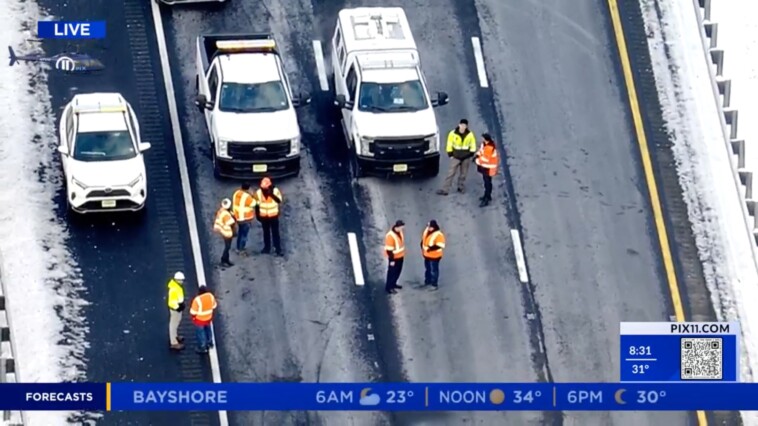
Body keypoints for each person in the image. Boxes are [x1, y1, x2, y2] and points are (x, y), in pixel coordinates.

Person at [437, 119, 477, 195]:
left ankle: (460, 187)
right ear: (459, 125)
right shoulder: (452, 134)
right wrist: (450, 154)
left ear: (466, 126)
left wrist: (471, 154)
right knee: (450, 173)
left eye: (464, 125)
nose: (463, 127)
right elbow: (449, 144)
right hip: (456, 156)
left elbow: (473, 145)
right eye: (462, 125)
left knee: (463, 174)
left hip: (466, 157)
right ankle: (445, 189)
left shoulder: (470, 135)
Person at [254, 177, 284, 256]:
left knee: (275, 233)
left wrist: (271, 195)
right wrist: (257, 215)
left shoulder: (275, 191)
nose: (264, 190)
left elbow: (279, 200)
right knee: (266, 233)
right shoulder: (258, 193)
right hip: (264, 216)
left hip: (273, 216)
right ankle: (267, 248)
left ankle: (278, 249)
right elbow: (256, 205)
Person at [189, 286, 217, 354]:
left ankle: (202, 347)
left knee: (201, 333)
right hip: (208, 318)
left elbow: (193, 312)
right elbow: (214, 306)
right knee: (208, 330)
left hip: (199, 320)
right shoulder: (210, 296)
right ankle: (210, 343)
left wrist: (193, 317)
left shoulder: (197, 300)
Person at [475, 133, 500, 207]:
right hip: (485, 167)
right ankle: (487, 196)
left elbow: (485, 158)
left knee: (487, 183)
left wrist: (477, 160)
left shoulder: (489, 147)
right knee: (486, 182)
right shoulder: (485, 144)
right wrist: (477, 154)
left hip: (488, 168)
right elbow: (481, 151)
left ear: (486, 139)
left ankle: (487, 197)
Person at [420, 220, 446, 290]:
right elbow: (423, 240)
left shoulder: (438, 235)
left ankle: (434, 284)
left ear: (434, 227)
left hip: (435, 256)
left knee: (434, 270)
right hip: (427, 255)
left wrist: (430, 249)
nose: (428, 228)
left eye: (430, 227)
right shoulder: (426, 231)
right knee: (428, 269)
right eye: (428, 226)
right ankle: (427, 281)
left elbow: (440, 245)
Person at [232, 182, 256, 255]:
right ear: (248, 189)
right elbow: (254, 203)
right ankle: (241, 249)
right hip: (245, 219)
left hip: (238, 218)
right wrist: (252, 195)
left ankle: (238, 247)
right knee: (244, 235)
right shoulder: (247, 197)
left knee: (240, 233)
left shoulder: (236, 193)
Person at [384, 220, 406, 294]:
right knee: (392, 273)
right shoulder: (390, 236)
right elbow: (389, 250)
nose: (403, 228)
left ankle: (393, 284)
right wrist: (392, 260)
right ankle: (389, 287)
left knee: (397, 272)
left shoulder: (400, 232)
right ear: (398, 227)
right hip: (394, 258)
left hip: (400, 256)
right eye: (402, 226)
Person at [213, 198, 236, 267]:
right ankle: (224, 260)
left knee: (227, 247)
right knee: (227, 247)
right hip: (226, 231)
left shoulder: (221, 211)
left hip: (222, 230)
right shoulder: (226, 214)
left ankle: (226, 260)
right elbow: (231, 222)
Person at [167, 271, 186, 351]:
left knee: (177, 322)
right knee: (173, 325)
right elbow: (172, 302)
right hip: (175, 309)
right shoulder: (174, 289)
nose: (182, 281)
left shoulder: (176, 286)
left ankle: (175, 336)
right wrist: (178, 307)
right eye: (181, 280)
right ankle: (174, 342)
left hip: (178, 307)